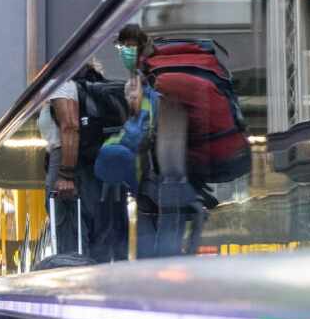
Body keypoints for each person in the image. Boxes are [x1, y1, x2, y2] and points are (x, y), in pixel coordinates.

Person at [114, 23, 214, 258]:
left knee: (161, 258)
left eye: (128, 46)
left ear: (140, 47)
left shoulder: (154, 82)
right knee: (155, 255)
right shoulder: (141, 80)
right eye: (122, 47)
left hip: (167, 177)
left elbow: (145, 130)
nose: (124, 51)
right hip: (157, 181)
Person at [38, 58, 128, 262]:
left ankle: (76, 290)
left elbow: (70, 126)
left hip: (69, 165)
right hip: (100, 170)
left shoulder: (62, 85)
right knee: (101, 242)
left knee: (70, 242)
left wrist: (65, 174)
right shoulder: (95, 87)